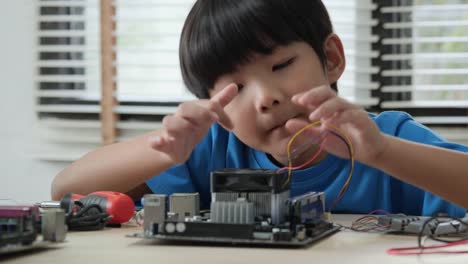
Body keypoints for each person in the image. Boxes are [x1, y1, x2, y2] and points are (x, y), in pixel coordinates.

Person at [51, 0, 468, 217]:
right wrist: (164, 152)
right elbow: (66, 190)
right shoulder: (212, 150)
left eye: (282, 65)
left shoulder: (384, 140)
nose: (265, 96)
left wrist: (382, 152)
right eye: (236, 88)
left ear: (332, 58)